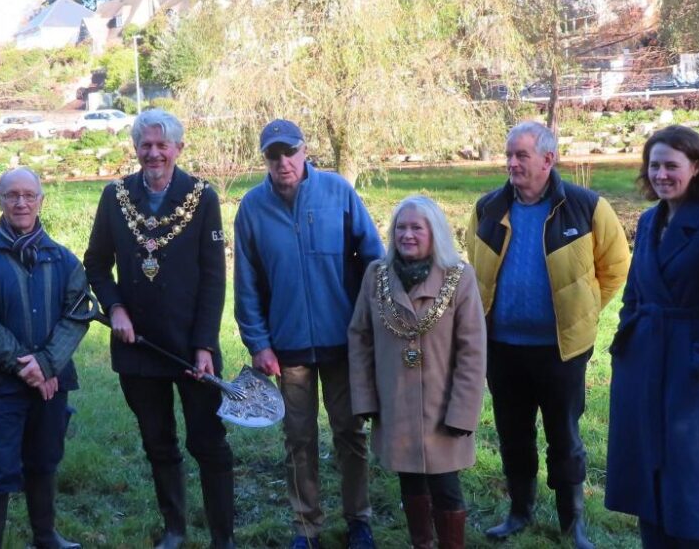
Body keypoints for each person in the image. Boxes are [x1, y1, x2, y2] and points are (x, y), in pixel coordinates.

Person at [466, 121, 629, 549]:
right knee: (513, 435)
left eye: (521, 155)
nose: (512, 163)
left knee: (564, 437)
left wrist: (583, 310)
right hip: (502, 349)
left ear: (548, 159)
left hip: (561, 350)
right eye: (508, 155)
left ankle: (571, 523)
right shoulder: (487, 209)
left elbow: (615, 267)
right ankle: (519, 511)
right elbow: (474, 264)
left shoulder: (586, 207)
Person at [83, 109, 235, 549]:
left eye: (161, 145)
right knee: (158, 442)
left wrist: (204, 344)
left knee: (208, 442)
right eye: (145, 145)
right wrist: (115, 308)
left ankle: (223, 537)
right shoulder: (114, 197)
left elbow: (214, 277)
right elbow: (96, 263)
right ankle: (174, 529)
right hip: (137, 346)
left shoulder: (202, 197)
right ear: (135, 148)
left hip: (191, 347)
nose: (153, 153)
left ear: (178, 149)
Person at [233, 119, 383, 549]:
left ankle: (359, 521)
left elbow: (374, 260)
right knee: (298, 440)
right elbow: (246, 284)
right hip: (288, 347)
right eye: (273, 155)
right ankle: (306, 527)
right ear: (265, 160)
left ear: (304, 151)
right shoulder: (252, 208)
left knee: (350, 433)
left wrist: (372, 326)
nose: (283, 162)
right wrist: (259, 343)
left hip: (344, 341)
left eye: (290, 152)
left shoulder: (338, 192)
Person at [605, 125, 699, 548]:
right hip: (645, 362)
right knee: (651, 475)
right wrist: (627, 340)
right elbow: (635, 291)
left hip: (696, 370)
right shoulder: (650, 220)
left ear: (696, 167)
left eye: (671, 165)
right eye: (654, 165)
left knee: (697, 478)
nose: (661, 174)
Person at [0, 168, 93, 549]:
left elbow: (78, 313)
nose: (21, 203)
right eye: (12, 196)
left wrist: (48, 364)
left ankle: (45, 536)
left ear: (41, 201)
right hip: (1, 386)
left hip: (53, 383)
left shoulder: (64, 260)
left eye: (29, 195)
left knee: (45, 460)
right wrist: (31, 367)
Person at [347, 195, 486, 549]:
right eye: (400, 228)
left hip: (443, 409)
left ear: (434, 232)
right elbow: (359, 337)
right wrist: (365, 400)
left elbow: (473, 351)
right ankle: (421, 543)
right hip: (395, 405)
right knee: (409, 482)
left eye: (416, 228)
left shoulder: (459, 278)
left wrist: (463, 413)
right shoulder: (377, 276)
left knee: (445, 487)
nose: (406, 235)